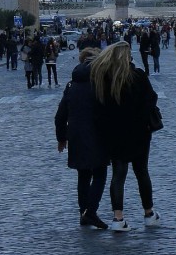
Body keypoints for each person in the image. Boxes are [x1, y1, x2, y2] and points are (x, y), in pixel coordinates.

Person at [90, 41, 161, 231]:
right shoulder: (138, 76)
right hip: (139, 133)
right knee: (142, 172)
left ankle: (118, 218)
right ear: (127, 57)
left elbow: (98, 109)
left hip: (115, 135)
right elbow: (151, 100)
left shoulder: (104, 80)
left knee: (118, 175)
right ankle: (148, 213)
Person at [55, 47, 110, 230]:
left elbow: (60, 116)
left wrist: (61, 138)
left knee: (83, 175)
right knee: (100, 173)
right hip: (97, 133)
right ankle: (91, 212)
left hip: (76, 135)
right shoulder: (100, 83)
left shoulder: (71, 85)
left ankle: (83, 213)